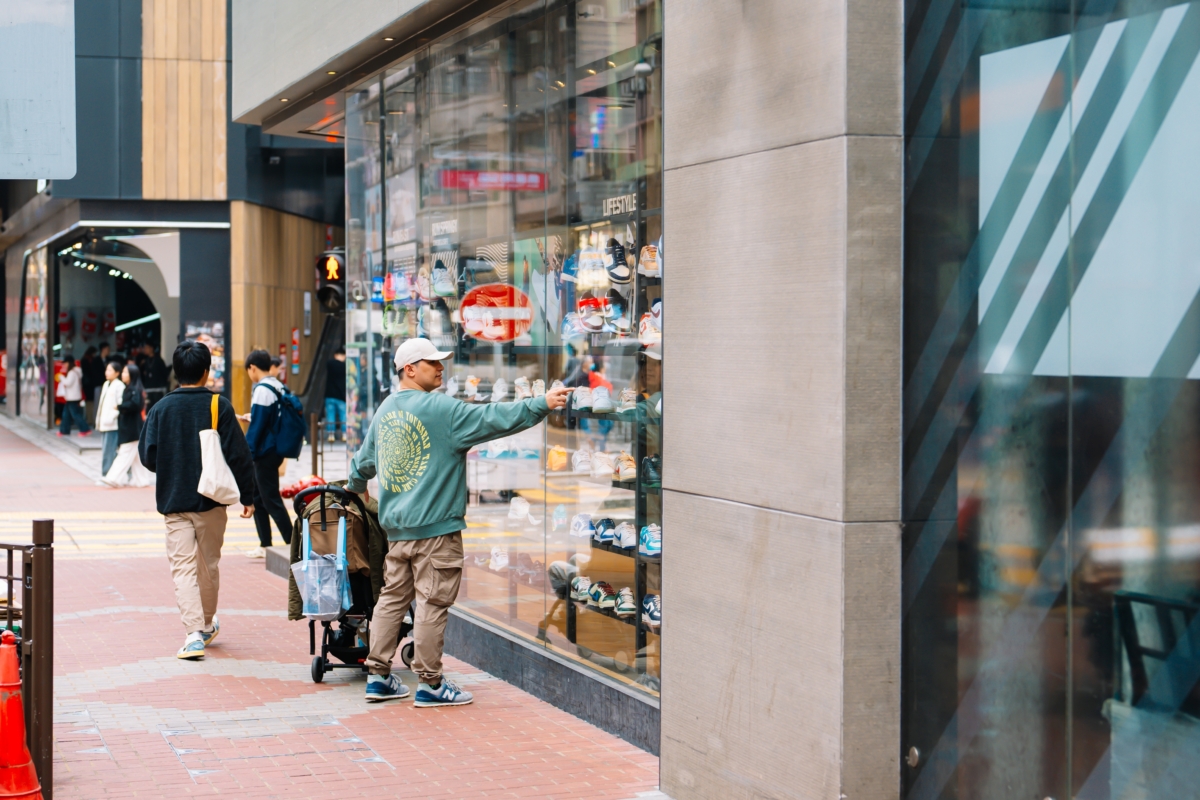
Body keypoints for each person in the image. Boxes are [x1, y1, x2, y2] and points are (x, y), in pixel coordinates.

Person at [346, 338, 570, 706]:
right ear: (409, 369)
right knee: (433, 603)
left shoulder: (386, 410)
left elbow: (362, 463)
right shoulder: (441, 409)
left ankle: (378, 677)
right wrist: (541, 404)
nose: (440, 367)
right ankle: (431, 684)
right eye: (432, 362)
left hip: (397, 531)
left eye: (440, 361)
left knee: (392, 599)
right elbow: (493, 419)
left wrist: (358, 489)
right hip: (436, 530)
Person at [138, 341, 256, 659]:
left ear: (177, 372)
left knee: (183, 569)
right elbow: (239, 455)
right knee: (209, 566)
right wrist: (249, 496)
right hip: (212, 502)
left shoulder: (161, 408)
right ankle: (204, 625)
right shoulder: (219, 405)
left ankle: (193, 634)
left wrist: (173, 462)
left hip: (174, 502)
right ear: (206, 372)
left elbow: (148, 457)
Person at [243, 349, 294, 558]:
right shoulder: (278, 385)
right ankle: (264, 543)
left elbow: (259, 426)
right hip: (274, 448)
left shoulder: (262, 389)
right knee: (259, 496)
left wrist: (248, 451)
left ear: (252, 368)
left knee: (270, 498)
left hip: (265, 451)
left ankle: (293, 542)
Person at [100, 364, 154, 487]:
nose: (123, 375)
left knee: (124, 454)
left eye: (125, 372)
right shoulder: (130, 388)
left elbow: (135, 405)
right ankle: (142, 480)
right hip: (132, 428)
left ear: (132, 375)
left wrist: (120, 407)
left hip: (132, 428)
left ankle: (113, 478)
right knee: (135, 457)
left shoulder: (134, 389)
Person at [95, 360, 125, 475]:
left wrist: (111, 417)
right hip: (104, 423)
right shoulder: (106, 384)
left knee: (109, 451)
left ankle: (107, 474)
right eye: (106, 369)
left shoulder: (119, 385)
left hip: (112, 424)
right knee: (108, 450)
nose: (106, 372)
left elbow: (119, 405)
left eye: (109, 370)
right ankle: (118, 471)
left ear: (117, 373)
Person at [57, 355, 91, 437]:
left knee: (75, 414)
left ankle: (85, 429)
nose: (64, 365)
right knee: (66, 415)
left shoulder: (72, 372)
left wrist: (61, 377)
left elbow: (67, 383)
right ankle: (64, 430)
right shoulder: (77, 371)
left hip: (72, 397)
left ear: (69, 363)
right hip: (74, 396)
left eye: (65, 363)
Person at [324, 347, 347, 442]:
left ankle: (331, 435)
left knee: (330, 415)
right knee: (343, 416)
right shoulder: (345, 366)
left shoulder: (330, 364)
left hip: (329, 395)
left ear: (335, 355)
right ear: (344, 355)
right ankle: (344, 434)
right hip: (341, 395)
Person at [141, 343, 170, 410]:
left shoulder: (158, 360)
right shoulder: (145, 361)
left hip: (158, 388)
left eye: (147, 347)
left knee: (159, 406)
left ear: (152, 348)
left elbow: (165, 373)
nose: (145, 349)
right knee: (150, 408)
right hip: (149, 388)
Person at [80, 346, 103, 425]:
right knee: (90, 403)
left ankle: (90, 419)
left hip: (88, 385)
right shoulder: (87, 360)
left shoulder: (86, 359)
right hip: (88, 385)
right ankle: (90, 420)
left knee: (90, 403)